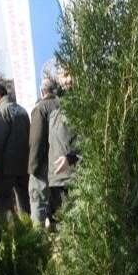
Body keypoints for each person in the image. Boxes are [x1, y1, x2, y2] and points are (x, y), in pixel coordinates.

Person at [0, 82, 31, 218]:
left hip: (6, 168)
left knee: (3, 202)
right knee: (24, 200)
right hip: (23, 165)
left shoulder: (2, 112)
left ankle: (10, 233)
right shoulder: (22, 110)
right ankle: (28, 231)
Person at [28, 75, 59, 227]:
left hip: (44, 162)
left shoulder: (40, 108)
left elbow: (36, 140)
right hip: (62, 162)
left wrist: (32, 167)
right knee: (58, 202)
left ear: (42, 92)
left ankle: (37, 240)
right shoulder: (64, 105)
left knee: (38, 201)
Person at [47, 69, 78, 222]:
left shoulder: (81, 105)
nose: (65, 80)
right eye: (62, 75)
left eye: (68, 74)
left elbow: (86, 139)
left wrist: (72, 157)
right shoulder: (54, 111)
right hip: (56, 179)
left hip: (73, 178)